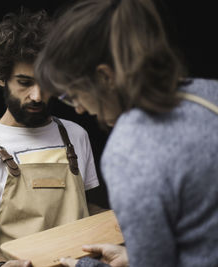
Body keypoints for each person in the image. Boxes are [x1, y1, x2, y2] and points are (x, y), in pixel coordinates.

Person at [34, 0, 218, 266]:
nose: (81, 109)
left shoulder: (130, 150)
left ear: (105, 77)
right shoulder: (209, 92)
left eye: (75, 95)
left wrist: (85, 265)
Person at [0, 9, 103, 267]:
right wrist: (1, 266)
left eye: (45, 82)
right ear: (2, 78)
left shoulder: (76, 135)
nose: (37, 95)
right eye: (24, 82)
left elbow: (89, 211)